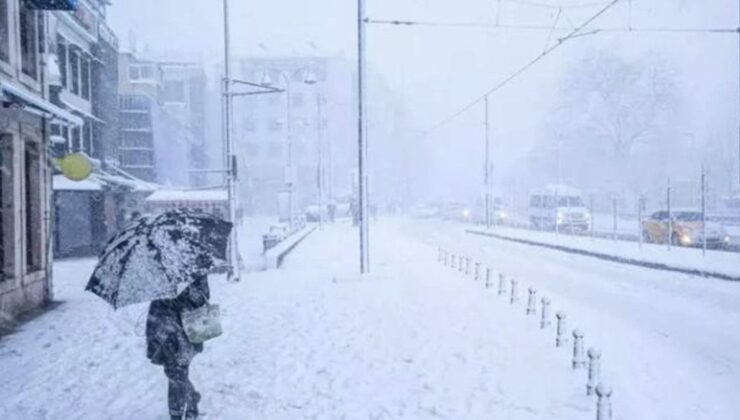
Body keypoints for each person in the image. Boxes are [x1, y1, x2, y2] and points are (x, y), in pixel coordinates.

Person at [146, 274, 210, 419]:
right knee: (172, 372)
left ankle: (179, 411)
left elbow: (202, 297)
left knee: (177, 372)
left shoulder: (194, 268)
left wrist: (180, 299)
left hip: (185, 330)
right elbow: (155, 297)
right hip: (163, 326)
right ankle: (190, 399)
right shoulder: (159, 267)